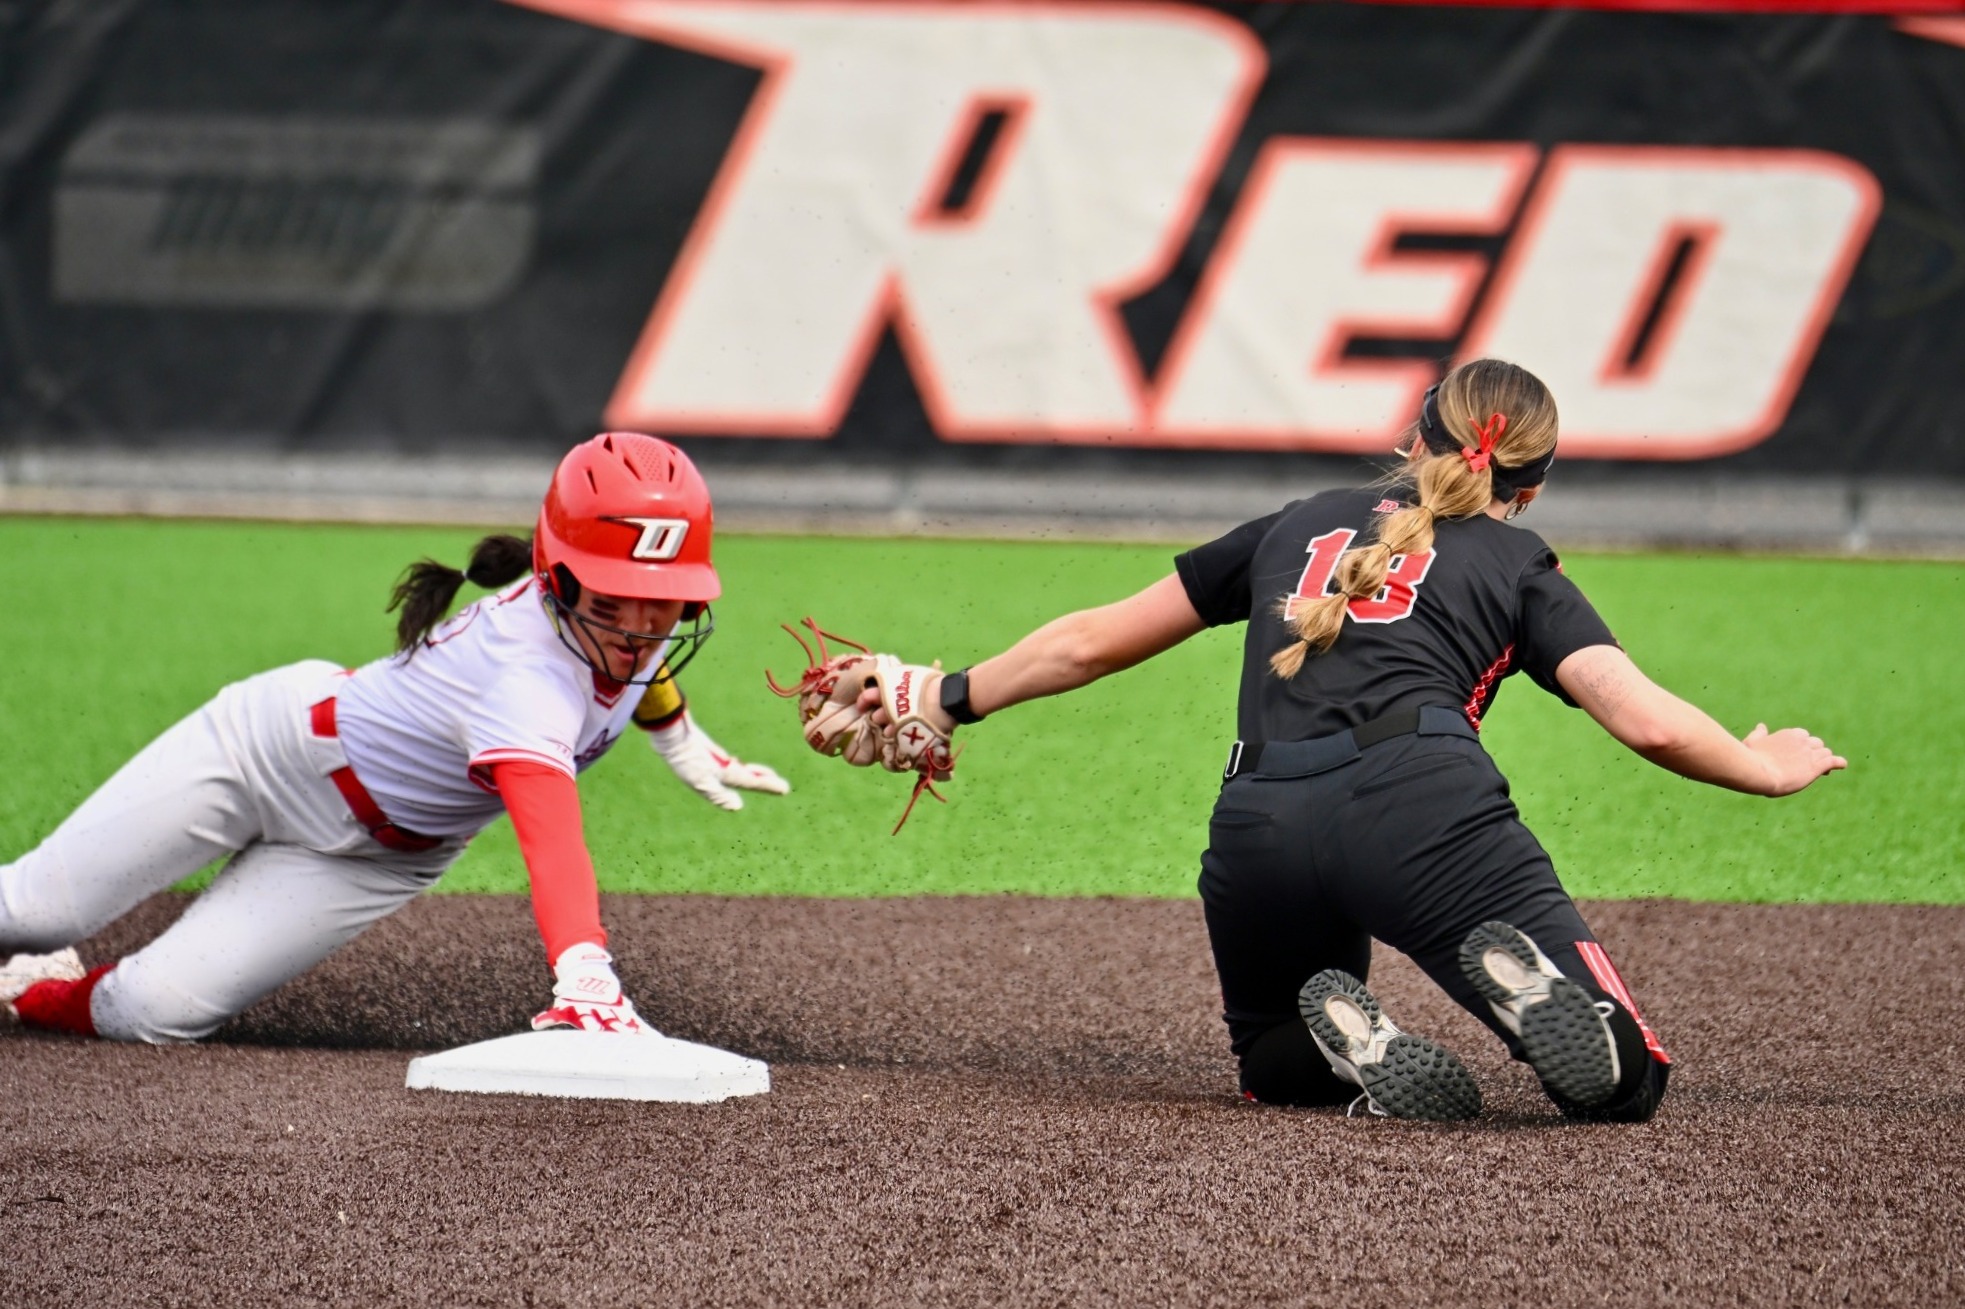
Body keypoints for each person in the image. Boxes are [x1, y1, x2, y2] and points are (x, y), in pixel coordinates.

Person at [864, 358, 1845, 1121]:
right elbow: (1641, 715)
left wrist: (946, 696)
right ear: (1532, 489)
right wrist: (1765, 767)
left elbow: (1086, 643)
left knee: (1273, 1064)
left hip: (1256, 825)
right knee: (1624, 1084)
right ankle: (1546, 1005)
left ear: (1412, 435)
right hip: (1421, 809)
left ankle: (1341, 1046)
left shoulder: (1295, 523)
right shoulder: (1518, 559)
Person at [0, 432, 785, 1042]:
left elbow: (639, 673)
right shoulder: (526, 678)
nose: (647, 623)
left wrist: (676, 734)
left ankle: (32, 989)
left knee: (148, 1013)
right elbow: (553, 840)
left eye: (667, 597)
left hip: (378, 861)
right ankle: (36, 943)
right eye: (619, 595)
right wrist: (583, 965)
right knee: (35, 905)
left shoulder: (619, 637)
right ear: (557, 574)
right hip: (270, 754)